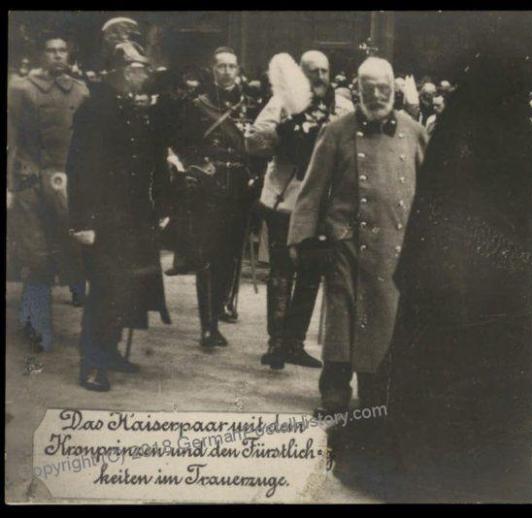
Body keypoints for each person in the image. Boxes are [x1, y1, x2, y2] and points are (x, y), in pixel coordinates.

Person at [387, 25, 532, 502]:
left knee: (447, 372)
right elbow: (523, 215)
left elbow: (431, 203)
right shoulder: (520, 129)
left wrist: (419, 271)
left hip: (452, 278)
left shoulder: (460, 123)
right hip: (494, 282)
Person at [287, 56, 427, 417]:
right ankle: (334, 390)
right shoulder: (336, 131)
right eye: (369, 89)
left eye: (383, 88)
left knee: (384, 318)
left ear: (394, 88)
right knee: (341, 317)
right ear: (357, 90)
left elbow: (429, 194)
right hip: (346, 242)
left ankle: (375, 390)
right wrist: (301, 237)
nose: (377, 95)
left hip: (395, 246)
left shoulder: (414, 131)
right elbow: (312, 189)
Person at [67, 40, 171, 391]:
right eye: (137, 70)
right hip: (103, 215)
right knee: (105, 288)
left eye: (143, 70)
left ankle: (109, 350)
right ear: (121, 72)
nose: (143, 77)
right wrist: (83, 221)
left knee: (125, 286)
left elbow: (152, 161)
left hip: (134, 215)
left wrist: (159, 206)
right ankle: (92, 363)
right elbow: (79, 168)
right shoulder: (94, 108)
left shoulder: (137, 108)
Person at [249, 50, 354, 368]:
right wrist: (285, 135)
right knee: (282, 271)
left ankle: (295, 342)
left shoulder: (344, 107)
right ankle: (276, 343)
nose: (319, 77)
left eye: (324, 71)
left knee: (311, 272)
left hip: (322, 205)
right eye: (312, 71)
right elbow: (255, 140)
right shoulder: (281, 101)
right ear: (300, 74)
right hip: (285, 199)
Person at [169, 47, 260, 348]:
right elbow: (181, 143)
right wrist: (199, 167)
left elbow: (261, 144)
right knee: (208, 255)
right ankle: (207, 327)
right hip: (210, 187)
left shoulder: (251, 104)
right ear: (213, 69)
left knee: (229, 256)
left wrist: (255, 174)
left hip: (240, 188)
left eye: (232, 66)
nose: (227, 71)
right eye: (221, 66)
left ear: (238, 70)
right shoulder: (199, 105)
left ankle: (218, 314)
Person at [7, 31, 90, 352]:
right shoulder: (22, 90)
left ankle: (87, 328)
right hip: (32, 183)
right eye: (51, 50)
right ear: (41, 54)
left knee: (72, 251)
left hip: (68, 183)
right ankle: (35, 327)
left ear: (68, 55)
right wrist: (10, 184)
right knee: (36, 258)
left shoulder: (81, 91)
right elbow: (11, 139)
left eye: (62, 50)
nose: (57, 55)